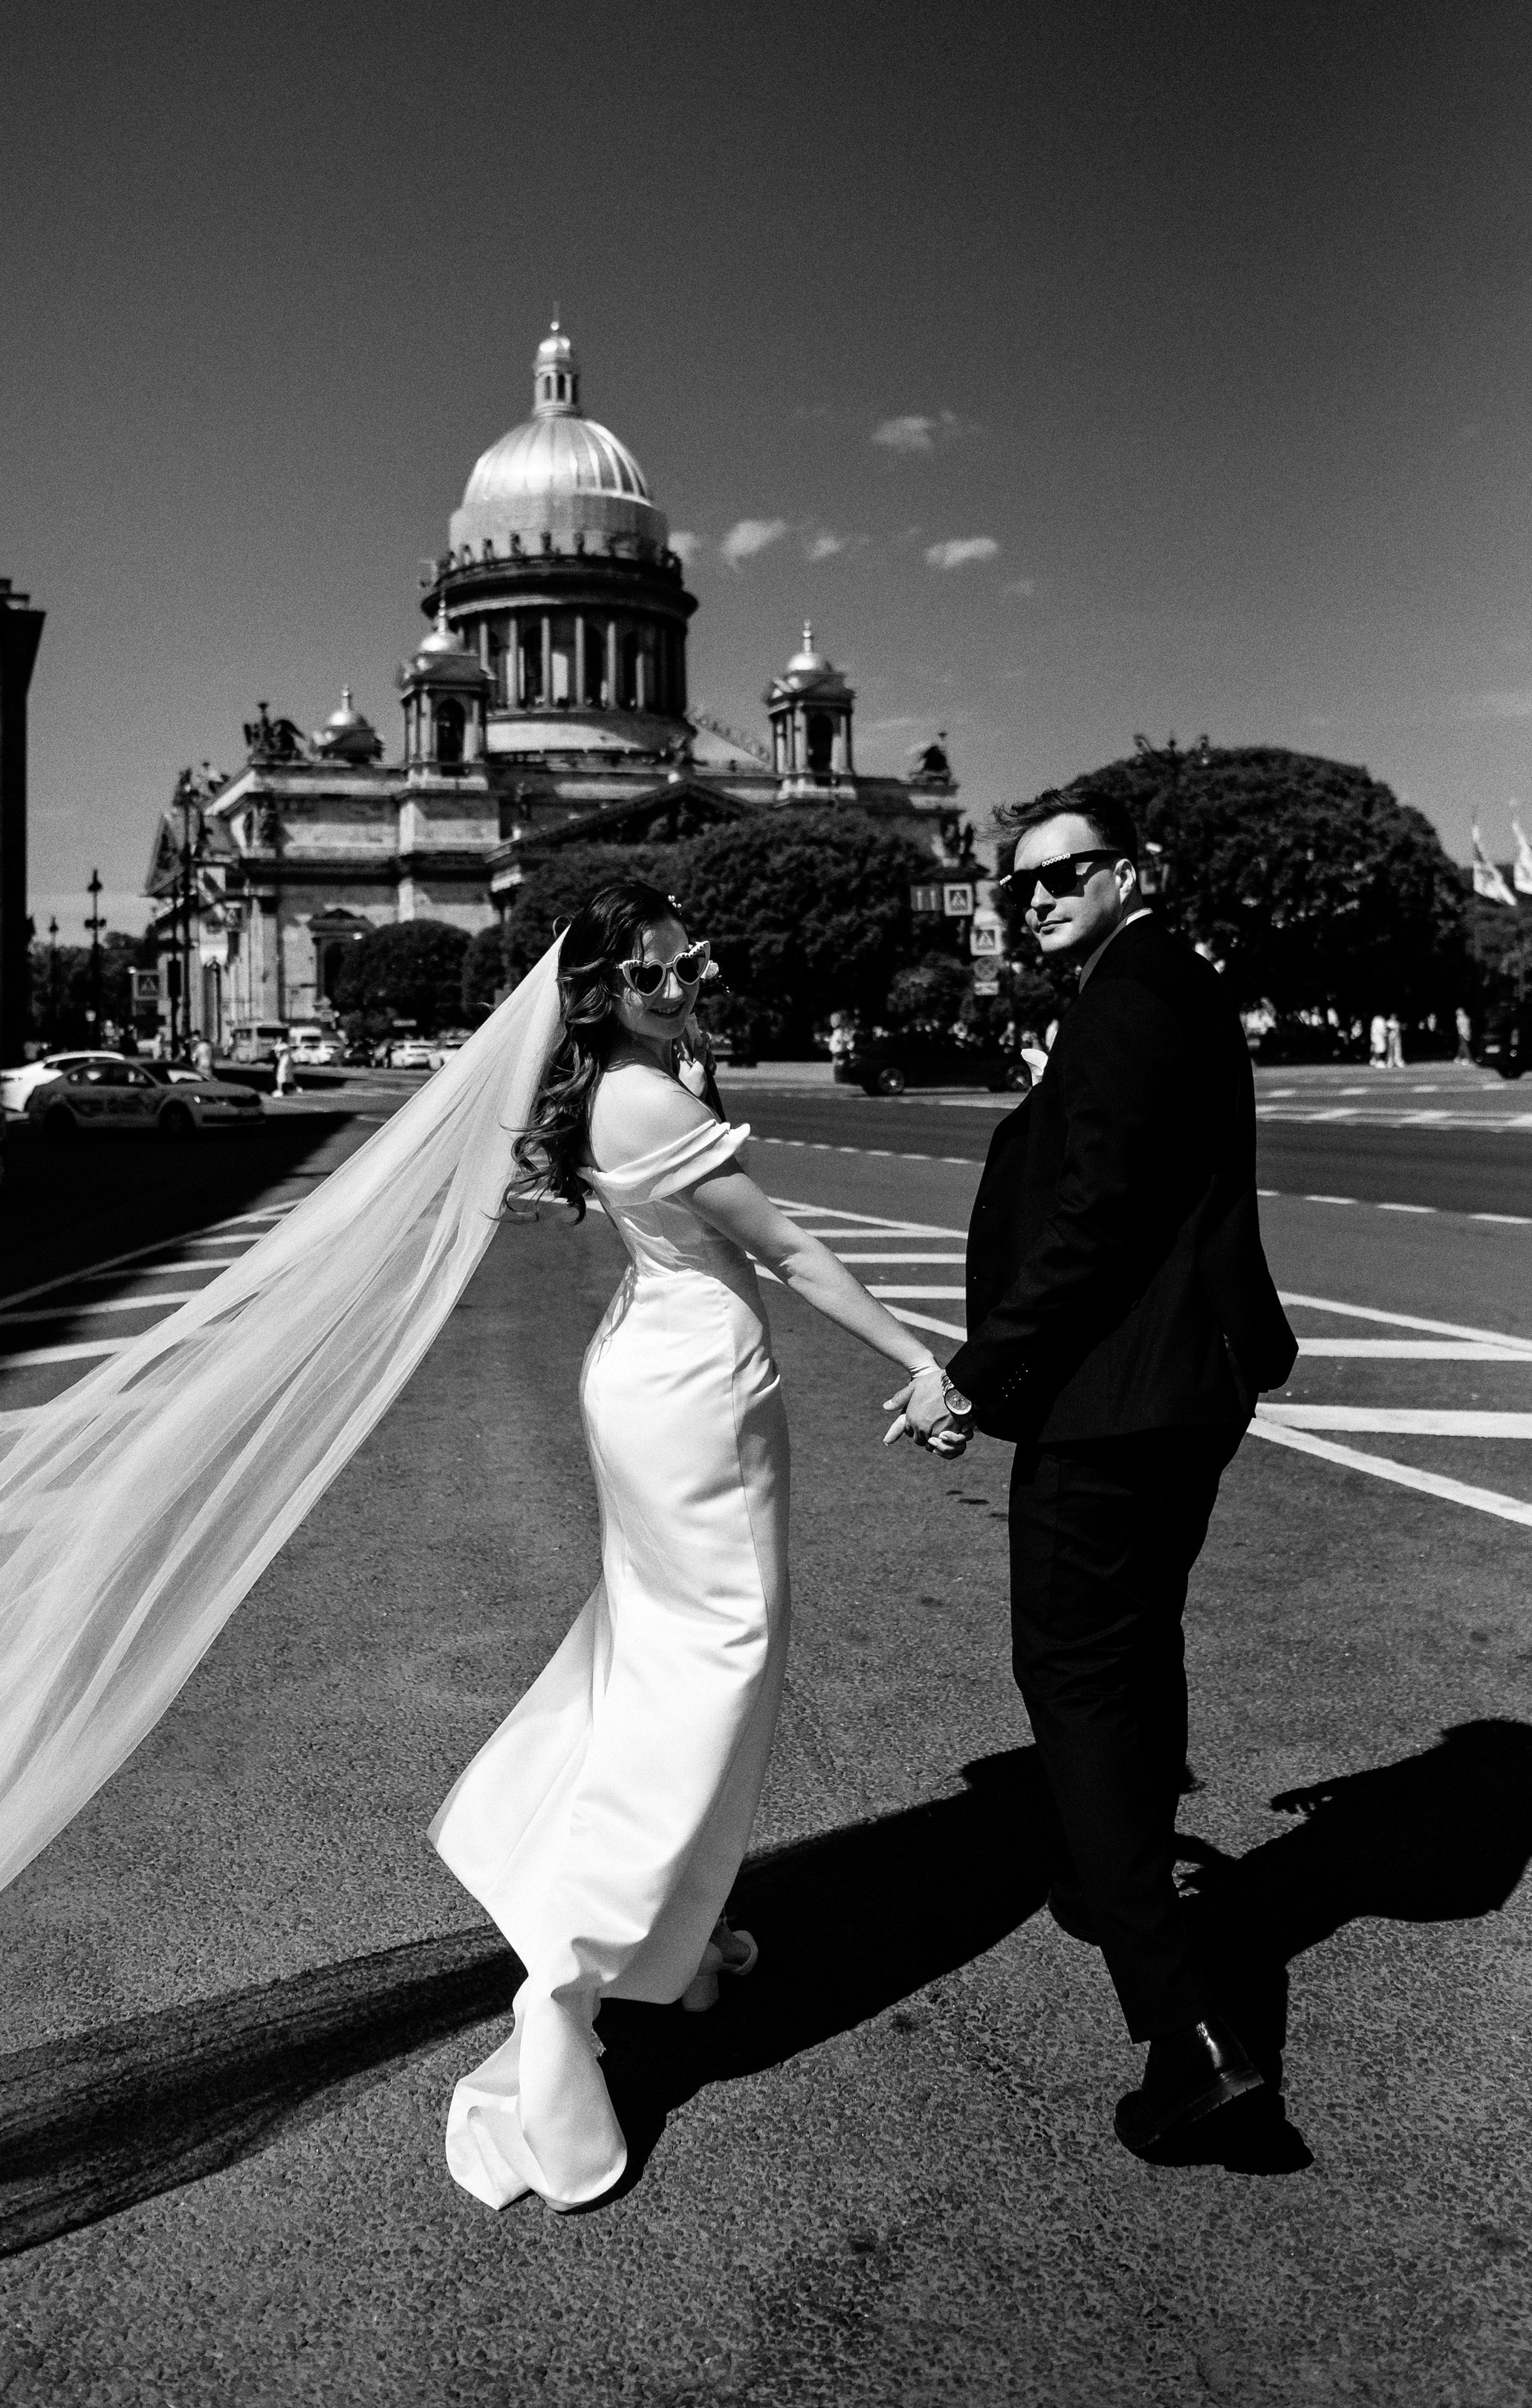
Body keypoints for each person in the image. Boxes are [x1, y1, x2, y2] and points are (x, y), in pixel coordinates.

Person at [430, 879, 964, 2210]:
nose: (685, 988)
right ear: (601, 988)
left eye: (691, 965)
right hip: (696, 1402)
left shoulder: (634, 1077)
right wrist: (920, 1360)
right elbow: (784, 1248)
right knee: (710, 1673)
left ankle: (675, 1933)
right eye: (656, 976)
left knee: (661, 1656)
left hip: (655, 1367)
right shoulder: (647, 1094)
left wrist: (681, 1064)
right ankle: (572, 1968)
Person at [891, 791, 1296, 2158]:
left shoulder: (1129, 997)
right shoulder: (1175, 981)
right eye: (1018, 889)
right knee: (1136, 1639)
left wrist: (970, 1369)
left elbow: (1095, 1218)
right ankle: (1128, 1863)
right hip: (1189, 1386)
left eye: (1062, 877)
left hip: (1117, 1400)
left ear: (1128, 873)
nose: (1035, 901)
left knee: (1068, 1670)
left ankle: (1184, 2036)